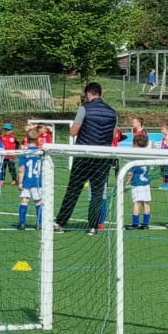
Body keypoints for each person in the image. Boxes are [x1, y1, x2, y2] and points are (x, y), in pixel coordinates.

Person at [53, 81, 118, 233]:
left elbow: (73, 132)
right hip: (103, 156)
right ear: (100, 94)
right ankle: (93, 226)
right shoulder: (112, 111)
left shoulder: (84, 108)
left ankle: (60, 223)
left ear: (88, 94)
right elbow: (114, 134)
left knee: (73, 190)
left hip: (84, 155)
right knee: (97, 192)